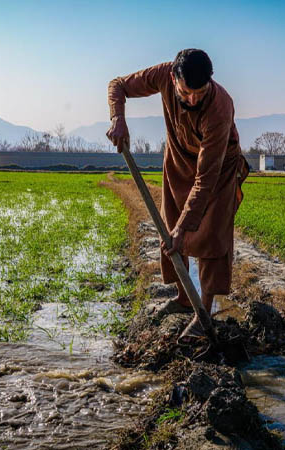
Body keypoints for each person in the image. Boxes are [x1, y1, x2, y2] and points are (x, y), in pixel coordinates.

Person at [106, 49, 248, 341]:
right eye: (186, 92)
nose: (193, 99)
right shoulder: (161, 75)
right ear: (173, 79)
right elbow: (117, 85)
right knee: (170, 229)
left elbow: (205, 180)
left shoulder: (220, 108)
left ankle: (203, 313)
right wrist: (117, 119)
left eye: (200, 92)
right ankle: (184, 299)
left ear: (210, 82)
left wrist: (186, 228)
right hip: (177, 161)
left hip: (217, 172)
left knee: (210, 238)